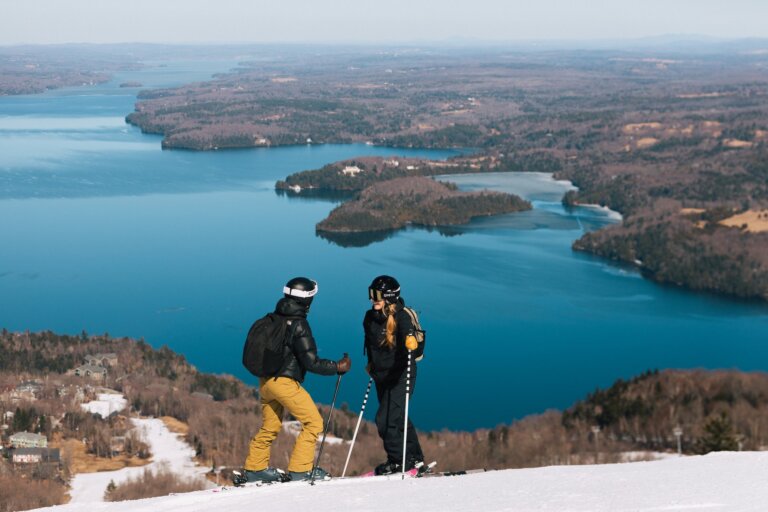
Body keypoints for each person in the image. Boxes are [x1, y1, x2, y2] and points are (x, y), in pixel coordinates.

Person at [242, 277, 351, 482]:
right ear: (307, 301)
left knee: (271, 426)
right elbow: (311, 362)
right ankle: (300, 471)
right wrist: (337, 366)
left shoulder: (273, 318)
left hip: (266, 382)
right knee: (313, 423)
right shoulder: (299, 324)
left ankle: (254, 469)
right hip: (284, 383)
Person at [363, 275, 425, 475]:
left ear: (389, 297)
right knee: (398, 419)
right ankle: (415, 458)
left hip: (401, 374)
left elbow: (410, 344)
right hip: (381, 375)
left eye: (377, 295)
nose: (373, 299)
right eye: (371, 294)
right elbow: (372, 346)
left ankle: (399, 462)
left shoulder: (402, 317)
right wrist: (371, 365)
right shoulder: (369, 317)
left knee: (386, 420)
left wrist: (411, 344)